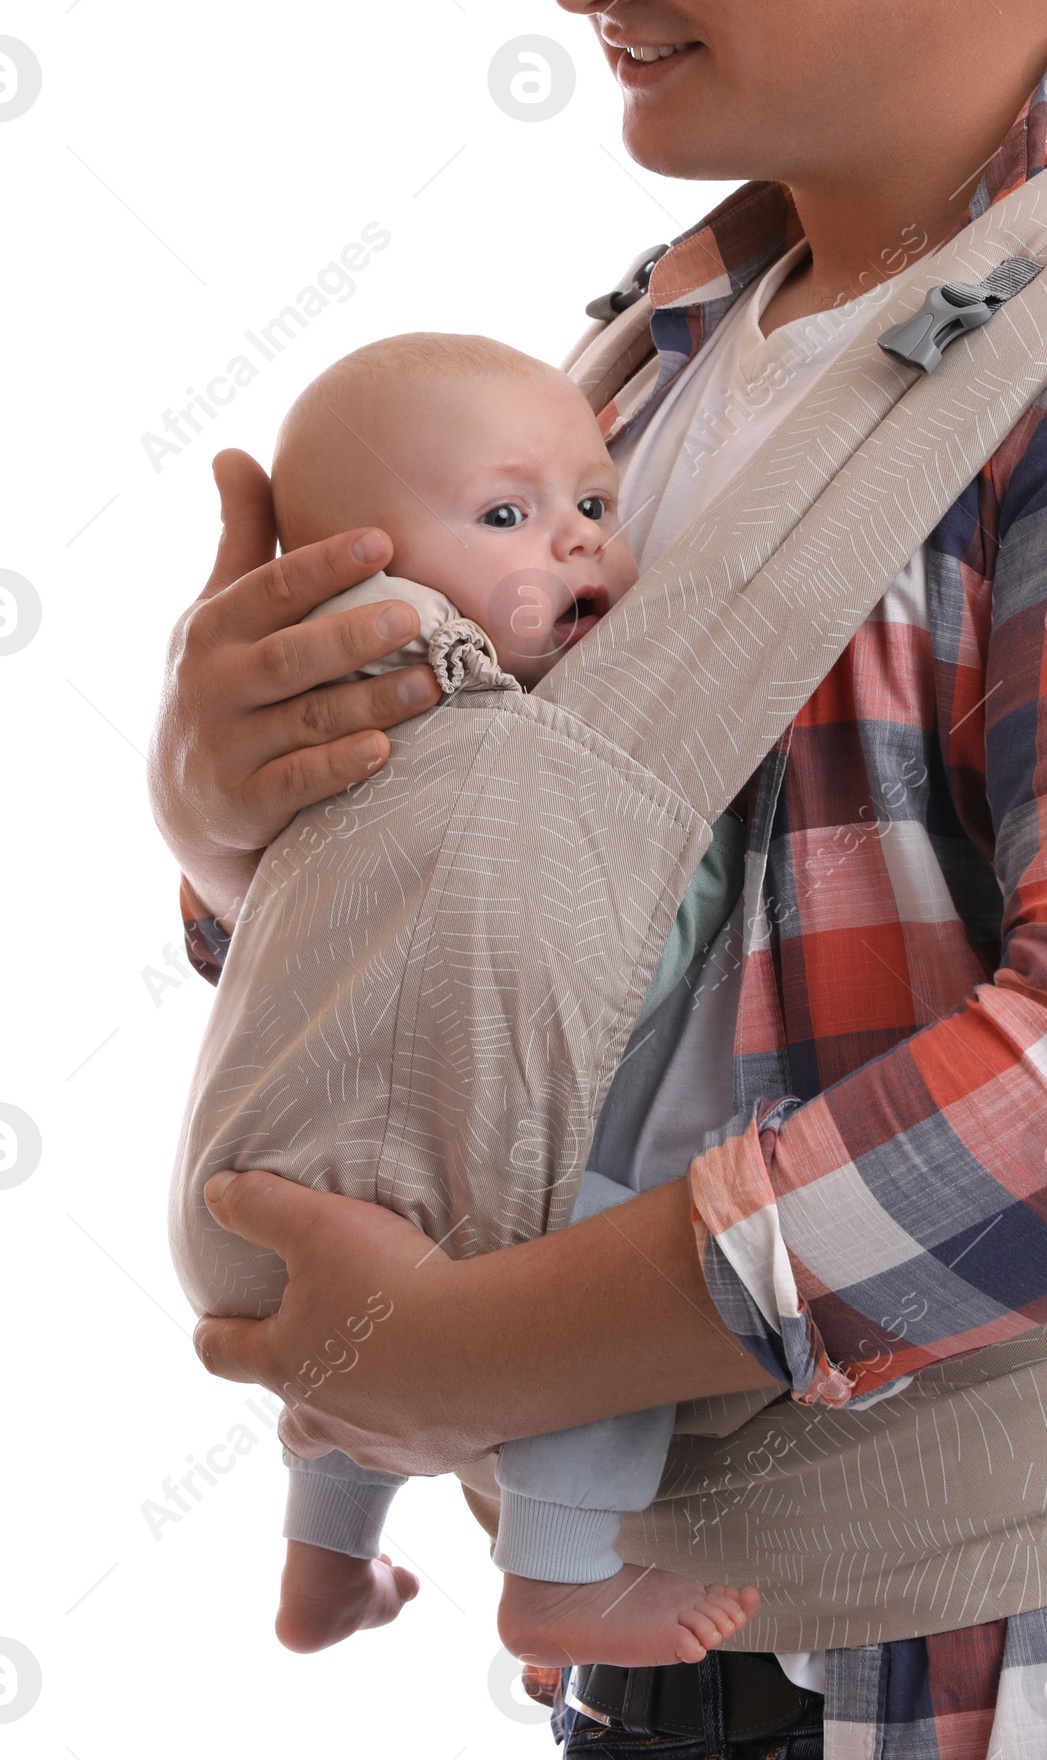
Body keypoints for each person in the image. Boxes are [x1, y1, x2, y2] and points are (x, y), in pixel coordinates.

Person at [150, 0, 1047, 1751]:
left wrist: (472, 1359)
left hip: (1042, 1666)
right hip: (657, 1673)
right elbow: (546, 916)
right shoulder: (660, 349)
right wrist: (222, 836)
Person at [171, 329, 758, 1665]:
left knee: (353, 1328)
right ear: (362, 573)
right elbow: (606, 954)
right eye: (508, 515)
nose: (576, 545)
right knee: (614, 1274)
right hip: (450, 1210)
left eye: (595, 507)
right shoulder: (442, 708)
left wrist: (206, 837)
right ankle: (562, 1578)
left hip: (256, 1208)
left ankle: (327, 1562)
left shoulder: (330, 727)